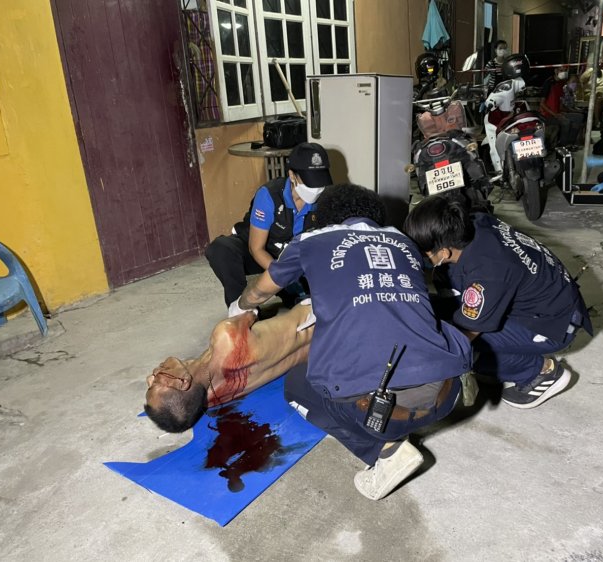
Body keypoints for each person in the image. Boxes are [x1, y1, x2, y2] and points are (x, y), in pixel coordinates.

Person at [230, 184, 472, 501]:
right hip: (447, 393)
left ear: (325, 217)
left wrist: (241, 306)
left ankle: (385, 451)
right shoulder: (404, 242)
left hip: (382, 409)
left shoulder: (310, 241)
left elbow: (261, 290)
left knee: (298, 385)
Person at [403, 195, 592, 410]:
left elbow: (465, 335)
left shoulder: (487, 275)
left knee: (462, 348)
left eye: (422, 253)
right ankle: (504, 359)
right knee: (437, 312)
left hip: (553, 322)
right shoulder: (474, 222)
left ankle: (540, 372)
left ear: (444, 252)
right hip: (543, 298)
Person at [144, 303, 314, 433]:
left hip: (314, 352)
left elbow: (181, 415)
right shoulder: (226, 335)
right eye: (155, 383)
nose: (150, 377)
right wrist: (244, 304)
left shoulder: (210, 398)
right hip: (321, 322)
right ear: (183, 382)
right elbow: (255, 308)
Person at [205, 142, 333, 311]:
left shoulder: (326, 200)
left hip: (292, 259)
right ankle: (243, 311)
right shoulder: (269, 195)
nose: (316, 189)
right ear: (292, 175)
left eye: (320, 181)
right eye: (310, 182)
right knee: (221, 249)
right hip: (262, 253)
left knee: (313, 305)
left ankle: (292, 292)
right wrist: (283, 276)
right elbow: (256, 249)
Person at [540, 65, 586, 149]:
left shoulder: (560, 84)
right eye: (561, 70)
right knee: (566, 122)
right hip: (547, 115)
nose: (564, 72)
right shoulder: (549, 83)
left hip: (558, 113)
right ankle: (562, 146)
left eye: (565, 70)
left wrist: (566, 112)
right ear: (556, 71)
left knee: (579, 117)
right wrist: (555, 115)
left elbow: (560, 104)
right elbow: (542, 104)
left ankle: (570, 143)